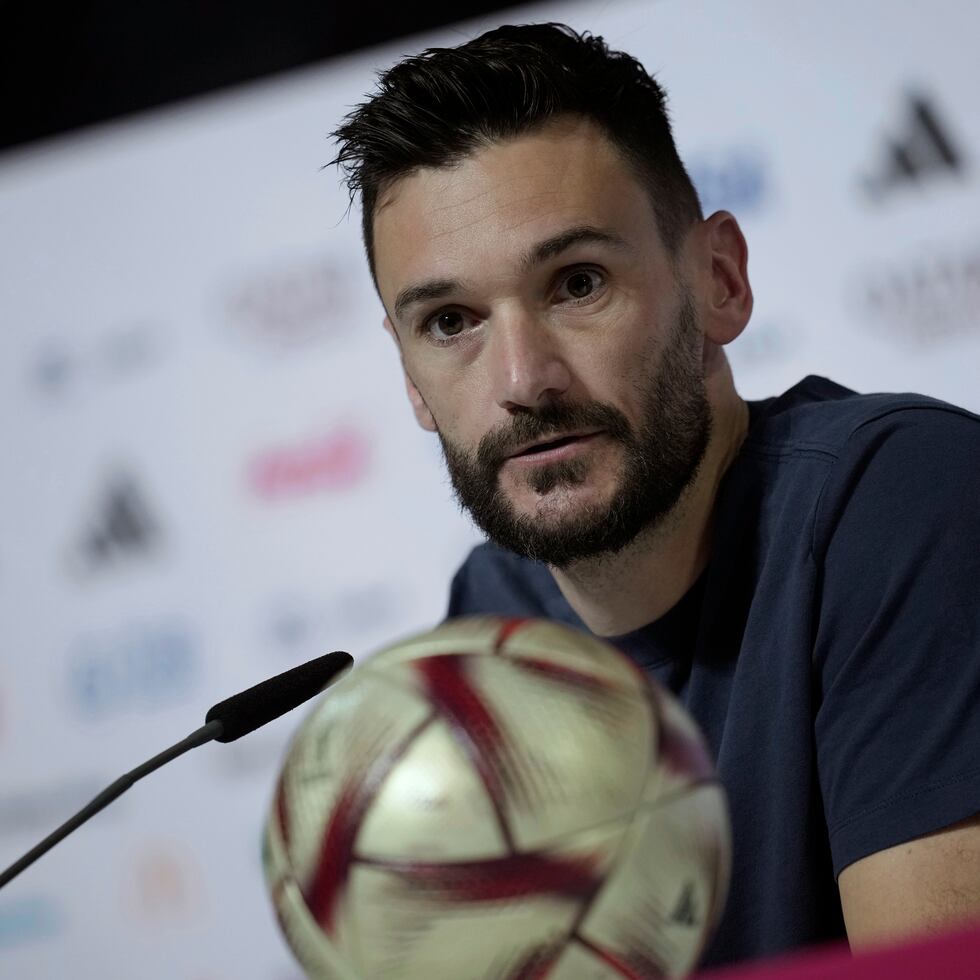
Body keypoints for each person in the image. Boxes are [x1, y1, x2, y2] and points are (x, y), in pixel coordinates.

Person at [330, 22, 980, 970]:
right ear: (408, 375)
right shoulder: (494, 618)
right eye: (452, 321)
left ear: (718, 280)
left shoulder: (898, 501)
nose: (524, 378)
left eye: (578, 283)